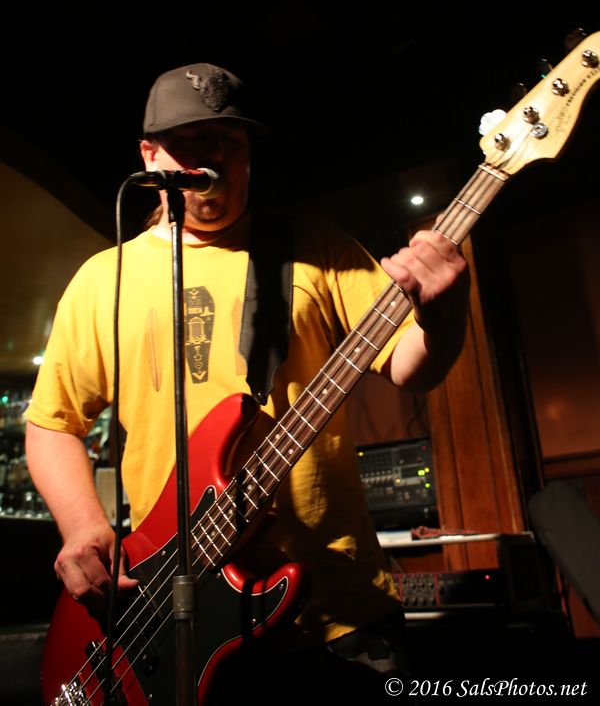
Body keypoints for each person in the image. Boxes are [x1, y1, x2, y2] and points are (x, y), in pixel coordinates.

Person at [25, 62, 470, 704]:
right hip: (170, 612)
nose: (211, 156)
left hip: (337, 612)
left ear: (248, 155)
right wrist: (81, 526)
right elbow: (51, 423)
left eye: (227, 141)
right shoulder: (103, 280)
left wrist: (444, 315)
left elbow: (410, 364)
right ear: (150, 157)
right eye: (189, 141)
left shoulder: (315, 248)